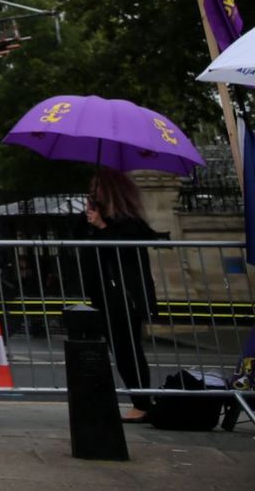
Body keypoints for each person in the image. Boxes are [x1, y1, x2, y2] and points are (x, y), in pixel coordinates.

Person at [77, 169, 163, 423]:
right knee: (117, 348)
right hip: (103, 294)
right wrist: (92, 222)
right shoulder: (95, 220)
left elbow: (123, 252)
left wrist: (102, 227)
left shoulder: (128, 223)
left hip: (124, 295)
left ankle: (141, 402)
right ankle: (133, 399)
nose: (92, 195)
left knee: (127, 348)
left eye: (96, 189)